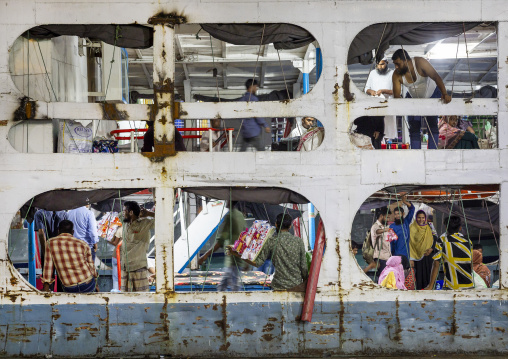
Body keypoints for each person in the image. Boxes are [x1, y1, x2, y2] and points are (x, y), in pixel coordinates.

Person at [392, 49, 452, 149]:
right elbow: (397, 97)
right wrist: (402, 105)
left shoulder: (420, 62)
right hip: (413, 98)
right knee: (414, 128)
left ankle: (432, 153)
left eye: (397, 64)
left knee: (432, 125)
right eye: (394, 64)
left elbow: (436, 77)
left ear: (406, 60)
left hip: (432, 95)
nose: (396, 67)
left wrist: (444, 93)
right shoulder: (396, 75)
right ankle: (416, 154)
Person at [198, 201, 247, 291]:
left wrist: (205, 255)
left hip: (233, 258)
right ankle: (220, 299)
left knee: (234, 286)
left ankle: (230, 302)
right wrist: (246, 261)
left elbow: (221, 241)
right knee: (224, 284)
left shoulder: (230, 217)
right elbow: (245, 237)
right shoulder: (240, 215)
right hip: (239, 256)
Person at [252, 213, 308, 291]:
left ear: (276, 225)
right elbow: (304, 267)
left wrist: (240, 255)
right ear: (290, 226)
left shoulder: (271, 241)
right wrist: (306, 281)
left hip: (278, 286)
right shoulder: (299, 241)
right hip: (296, 285)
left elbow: (258, 263)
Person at [42, 220, 97, 293]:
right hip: (87, 283)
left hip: (70, 287)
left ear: (58, 231)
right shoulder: (83, 244)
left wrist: (46, 287)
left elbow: (48, 266)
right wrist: (96, 283)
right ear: (72, 232)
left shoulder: (50, 243)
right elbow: (91, 266)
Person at [426, 216, 474, 290]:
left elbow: (436, 264)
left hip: (451, 287)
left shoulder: (442, 241)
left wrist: (430, 286)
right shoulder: (468, 241)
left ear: (446, 227)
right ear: (460, 228)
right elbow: (471, 263)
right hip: (469, 286)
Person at [121, 201, 155, 292]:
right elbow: (119, 214)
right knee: (126, 297)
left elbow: (164, 219)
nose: (122, 213)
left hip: (138, 267)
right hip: (125, 267)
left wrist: (148, 213)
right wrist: (137, 213)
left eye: (124, 211)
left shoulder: (145, 223)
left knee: (142, 297)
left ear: (131, 212)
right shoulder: (125, 223)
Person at [364, 57, 397, 144]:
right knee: (376, 130)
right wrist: (371, 92)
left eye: (382, 64)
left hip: (388, 104)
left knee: (387, 129)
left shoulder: (393, 74)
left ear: (387, 63)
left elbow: (396, 91)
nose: (380, 67)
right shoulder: (372, 73)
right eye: (378, 65)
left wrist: (383, 91)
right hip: (376, 105)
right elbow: (366, 88)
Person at [239, 79, 271, 151]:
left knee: (241, 152)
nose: (256, 89)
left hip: (245, 132)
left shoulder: (241, 100)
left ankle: (236, 162)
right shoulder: (253, 99)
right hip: (254, 131)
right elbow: (257, 115)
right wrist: (265, 125)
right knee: (262, 151)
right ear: (251, 87)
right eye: (255, 87)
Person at [409, 210, 437, 290]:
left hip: (428, 255)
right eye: (419, 218)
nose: (421, 220)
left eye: (423, 218)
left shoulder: (430, 225)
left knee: (429, 275)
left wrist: (431, 249)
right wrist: (411, 258)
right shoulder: (412, 227)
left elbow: (435, 238)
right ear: (416, 218)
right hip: (416, 256)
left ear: (425, 218)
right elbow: (410, 243)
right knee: (418, 278)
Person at [364, 207, 391, 275]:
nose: (388, 219)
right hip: (380, 257)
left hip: (387, 257)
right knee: (383, 278)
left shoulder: (384, 226)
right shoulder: (375, 226)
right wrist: (386, 230)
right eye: (387, 217)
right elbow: (377, 231)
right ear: (381, 216)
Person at [108, 225, 123, 291]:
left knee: (116, 278)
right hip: (126, 257)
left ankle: (116, 294)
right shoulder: (132, 229)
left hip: (116, 256)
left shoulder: (119, 229)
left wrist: (108, 241)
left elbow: (115, 243)